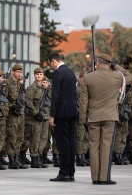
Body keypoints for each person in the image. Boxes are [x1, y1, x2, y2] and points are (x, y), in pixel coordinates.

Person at [79, 53, 132, 185]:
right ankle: (104, 178)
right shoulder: (116, 76)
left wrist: (83, 119)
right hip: (109, 117)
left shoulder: (88, 77)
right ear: (109, 64)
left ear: (97, 63)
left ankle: (95, 178)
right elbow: (130, 77)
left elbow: (83, 102)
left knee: (94, 147)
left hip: (93, 117)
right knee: (106, 147)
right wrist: (116, 66)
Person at [48, 53, 78, 182]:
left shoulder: (57, 73)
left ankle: (64, 172)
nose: (50, 66)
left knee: (63, 143)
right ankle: (71, 172)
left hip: (61, 113)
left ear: (54, 61)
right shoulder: (70, 72)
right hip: (72, 111)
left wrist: (52, 115)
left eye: (50, 63)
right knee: (71, 142)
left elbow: (56, 96)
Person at [22, 67, 49, 168]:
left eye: (41, 74)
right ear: (34, 75)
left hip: (44, 116)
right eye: (37, 74)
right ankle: (34, 159)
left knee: (44, 138)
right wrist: (35, 112)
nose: (39, 76)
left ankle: (39, 156)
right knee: (35, 139)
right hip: (35, 117)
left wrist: (46, 88)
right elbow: (28, 102)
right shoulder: (32, 87)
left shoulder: (44, 87)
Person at [75, 71, 90, 167]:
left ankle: (83, 155)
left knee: (86, 137)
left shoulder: (87, 90)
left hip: (87, 116)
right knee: (79, 137)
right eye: (82, 78)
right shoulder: (76, 90)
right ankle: (79, 157)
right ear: (79, 79)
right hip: (79, 116)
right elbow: (74, 103)